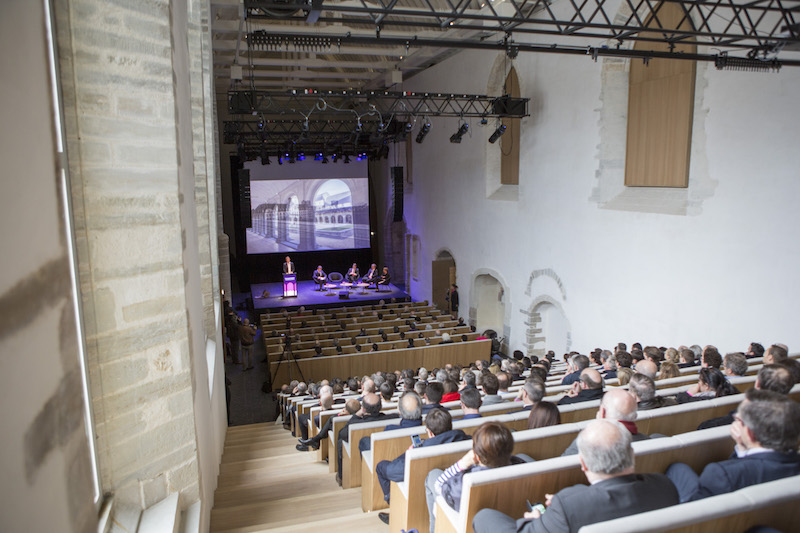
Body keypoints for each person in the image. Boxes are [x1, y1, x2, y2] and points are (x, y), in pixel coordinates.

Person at [473, 419, 679, 533]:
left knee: (484, 516)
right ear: (631, 454)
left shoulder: (569, 505)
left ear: (583, 463)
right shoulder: (665, 486)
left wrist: (541, 520)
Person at [666, 389, 800, 502]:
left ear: (749, 432)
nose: (734, 420)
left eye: (737, 419)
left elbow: (696, 512)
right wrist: (742, 447)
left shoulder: (720, 473)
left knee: (676, 468)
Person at [376, 408, 471, 523]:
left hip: (429, 490)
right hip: (455, 488)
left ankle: (395, 508)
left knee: (381, 467)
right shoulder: (468, 440)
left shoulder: (419, 453)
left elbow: (393, 471)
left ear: (430, 432)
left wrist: (409, 453)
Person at [426, 422, 522, 533]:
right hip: (506, 516)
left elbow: (439, 486)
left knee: (433, 474)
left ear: (477, 457)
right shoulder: (522, 466)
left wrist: (461, 464)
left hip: (467, 521)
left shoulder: (465, 484)